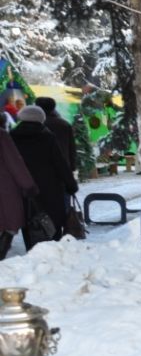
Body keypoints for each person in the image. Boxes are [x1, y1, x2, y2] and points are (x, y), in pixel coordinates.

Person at [10, 104, 78, 248]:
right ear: (41, 119)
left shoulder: (12, 136)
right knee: (52, 225)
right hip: (50, 189)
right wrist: (70, 184)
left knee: (30, 224)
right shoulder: (47, 137)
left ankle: (32, 251)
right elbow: (60, 164)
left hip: (24, 190)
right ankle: (52, 251)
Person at [0, 127, 37, 259]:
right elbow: (15, 162)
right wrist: (28, 184)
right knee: (9, 225)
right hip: (4, 189)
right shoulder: (2, 135)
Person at [36, 97, 77, 171]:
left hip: (41, 168)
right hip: (63, 166)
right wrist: (72, 166)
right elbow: (71, 147)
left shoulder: (36, 125)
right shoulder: (65, 124)